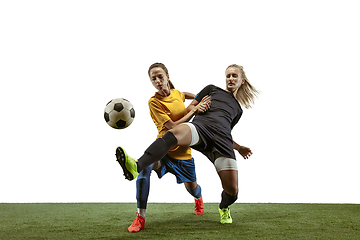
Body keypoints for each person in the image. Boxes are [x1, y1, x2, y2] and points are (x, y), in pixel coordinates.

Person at [116, 64, 257, 224]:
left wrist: (238, 147)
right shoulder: (211, 89)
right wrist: (196, 108)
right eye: (228, 75)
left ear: (242, 80)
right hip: (200, 128)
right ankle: (137, 166)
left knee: (232, 192)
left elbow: (224, 131)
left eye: (234, 76)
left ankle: (224, 207)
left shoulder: (238, 110)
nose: (230, 79)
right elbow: (190, 106)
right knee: (172, 134)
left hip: (221, 143)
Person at [122, 63, 208, 233]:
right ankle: (140, 217)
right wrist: (195, 110)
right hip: (162, 150)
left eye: (160, 76)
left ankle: (198, 198)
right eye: (153, 79)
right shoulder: (154, 102)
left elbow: (183, 95)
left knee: (193, 189)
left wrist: (198, 97)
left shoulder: (176, 94)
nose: (158, 81)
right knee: (144, 168)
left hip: (183, 155)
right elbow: (172, 126)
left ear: (167, 77)